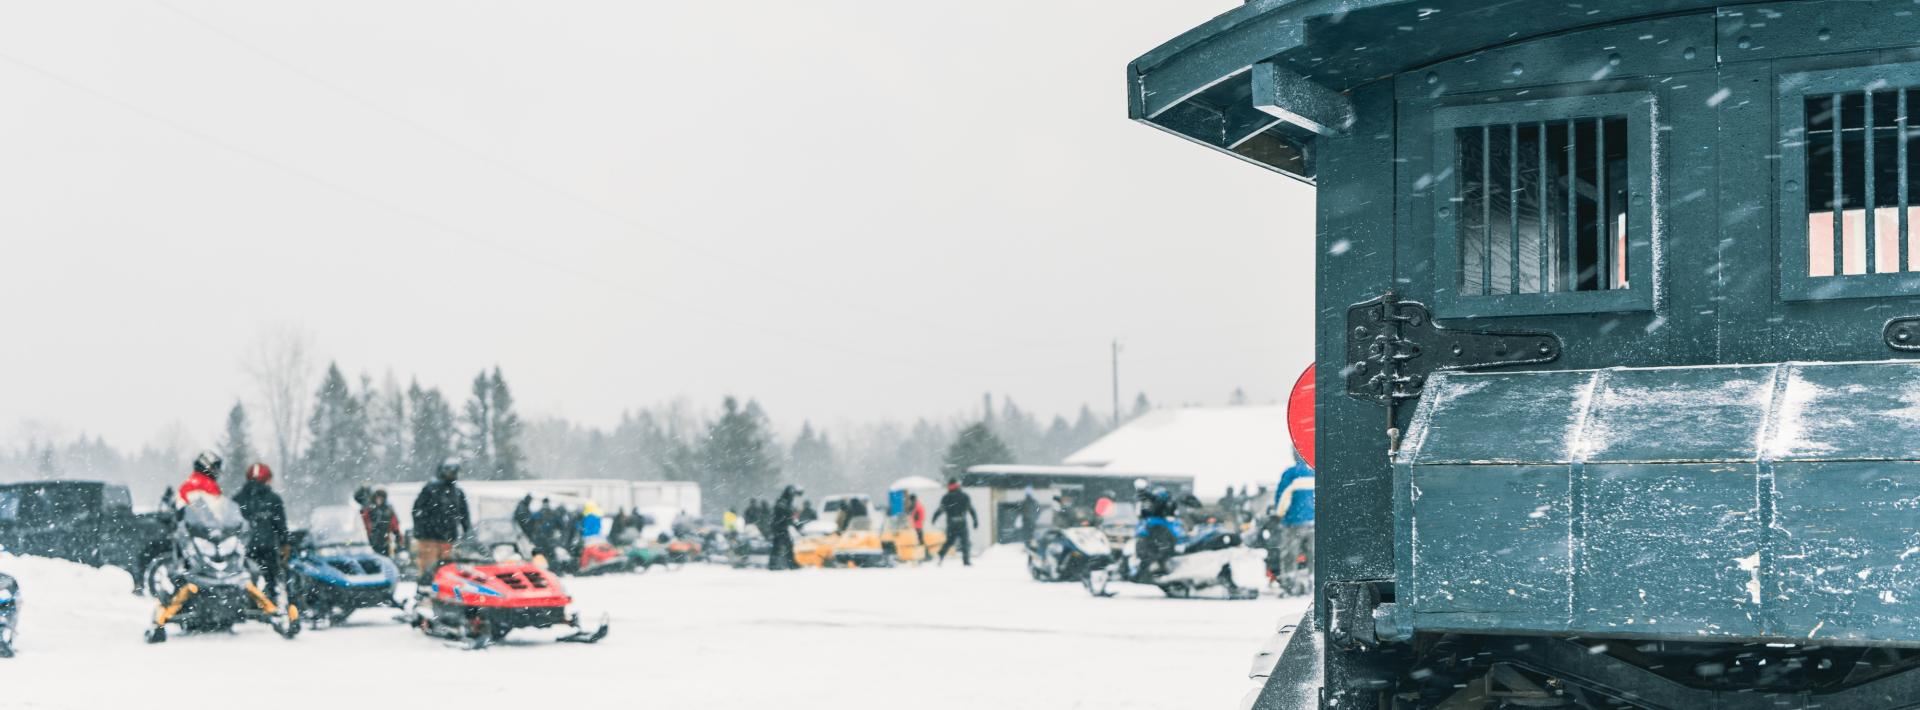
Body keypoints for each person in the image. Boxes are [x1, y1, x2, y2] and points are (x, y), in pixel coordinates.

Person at [409, 460, 471, 590]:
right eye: (449, 471)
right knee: (429, 568)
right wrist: (423, 528)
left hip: (448, 538)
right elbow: (417, 511)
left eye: (454, 472)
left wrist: (468, 532)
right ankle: (424, 593)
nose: (452, 474)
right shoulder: (430, 489)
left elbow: (464, 514)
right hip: (429, 538)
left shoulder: (457, 492)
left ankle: (443, 592)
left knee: (446, 569)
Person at [231, 463, 289, 599]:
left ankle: (246, 601)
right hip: (267, 549)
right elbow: (281, 526)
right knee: (271, 580)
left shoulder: (237, 499)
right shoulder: (274, 499)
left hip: (243, 549)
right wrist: (285, 544)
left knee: (244, 578)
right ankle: (270, 601)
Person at [930, 480, 977, 566]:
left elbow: (940, 509)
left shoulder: (946, 497)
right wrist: (975, 521)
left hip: (951, 523)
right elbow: (971, 509)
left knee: (949, 542)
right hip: (962, 523)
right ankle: (966, 561)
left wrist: (934, 518)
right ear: (958, 486)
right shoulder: (964, 496)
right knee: (964, 542)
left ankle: (941, 554)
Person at [768, 485, 800, 570]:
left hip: (780, 526)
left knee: (782, 545)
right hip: (779, 527)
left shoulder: (784, 501)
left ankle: (777, 564)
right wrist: (790, 517)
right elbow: (784, 513)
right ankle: (787, 564)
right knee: (782, 545)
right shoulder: (783, 502)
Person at [363, 489, 400, 558]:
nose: (379, 500)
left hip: (384, 541)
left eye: (381, 498)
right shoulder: (369, 509)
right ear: (374, 498)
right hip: (370, 541)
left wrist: (397, 536)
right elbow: (363, 524)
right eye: (378, 497)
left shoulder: (388, 510)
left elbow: (395, 525)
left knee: (384, 559)